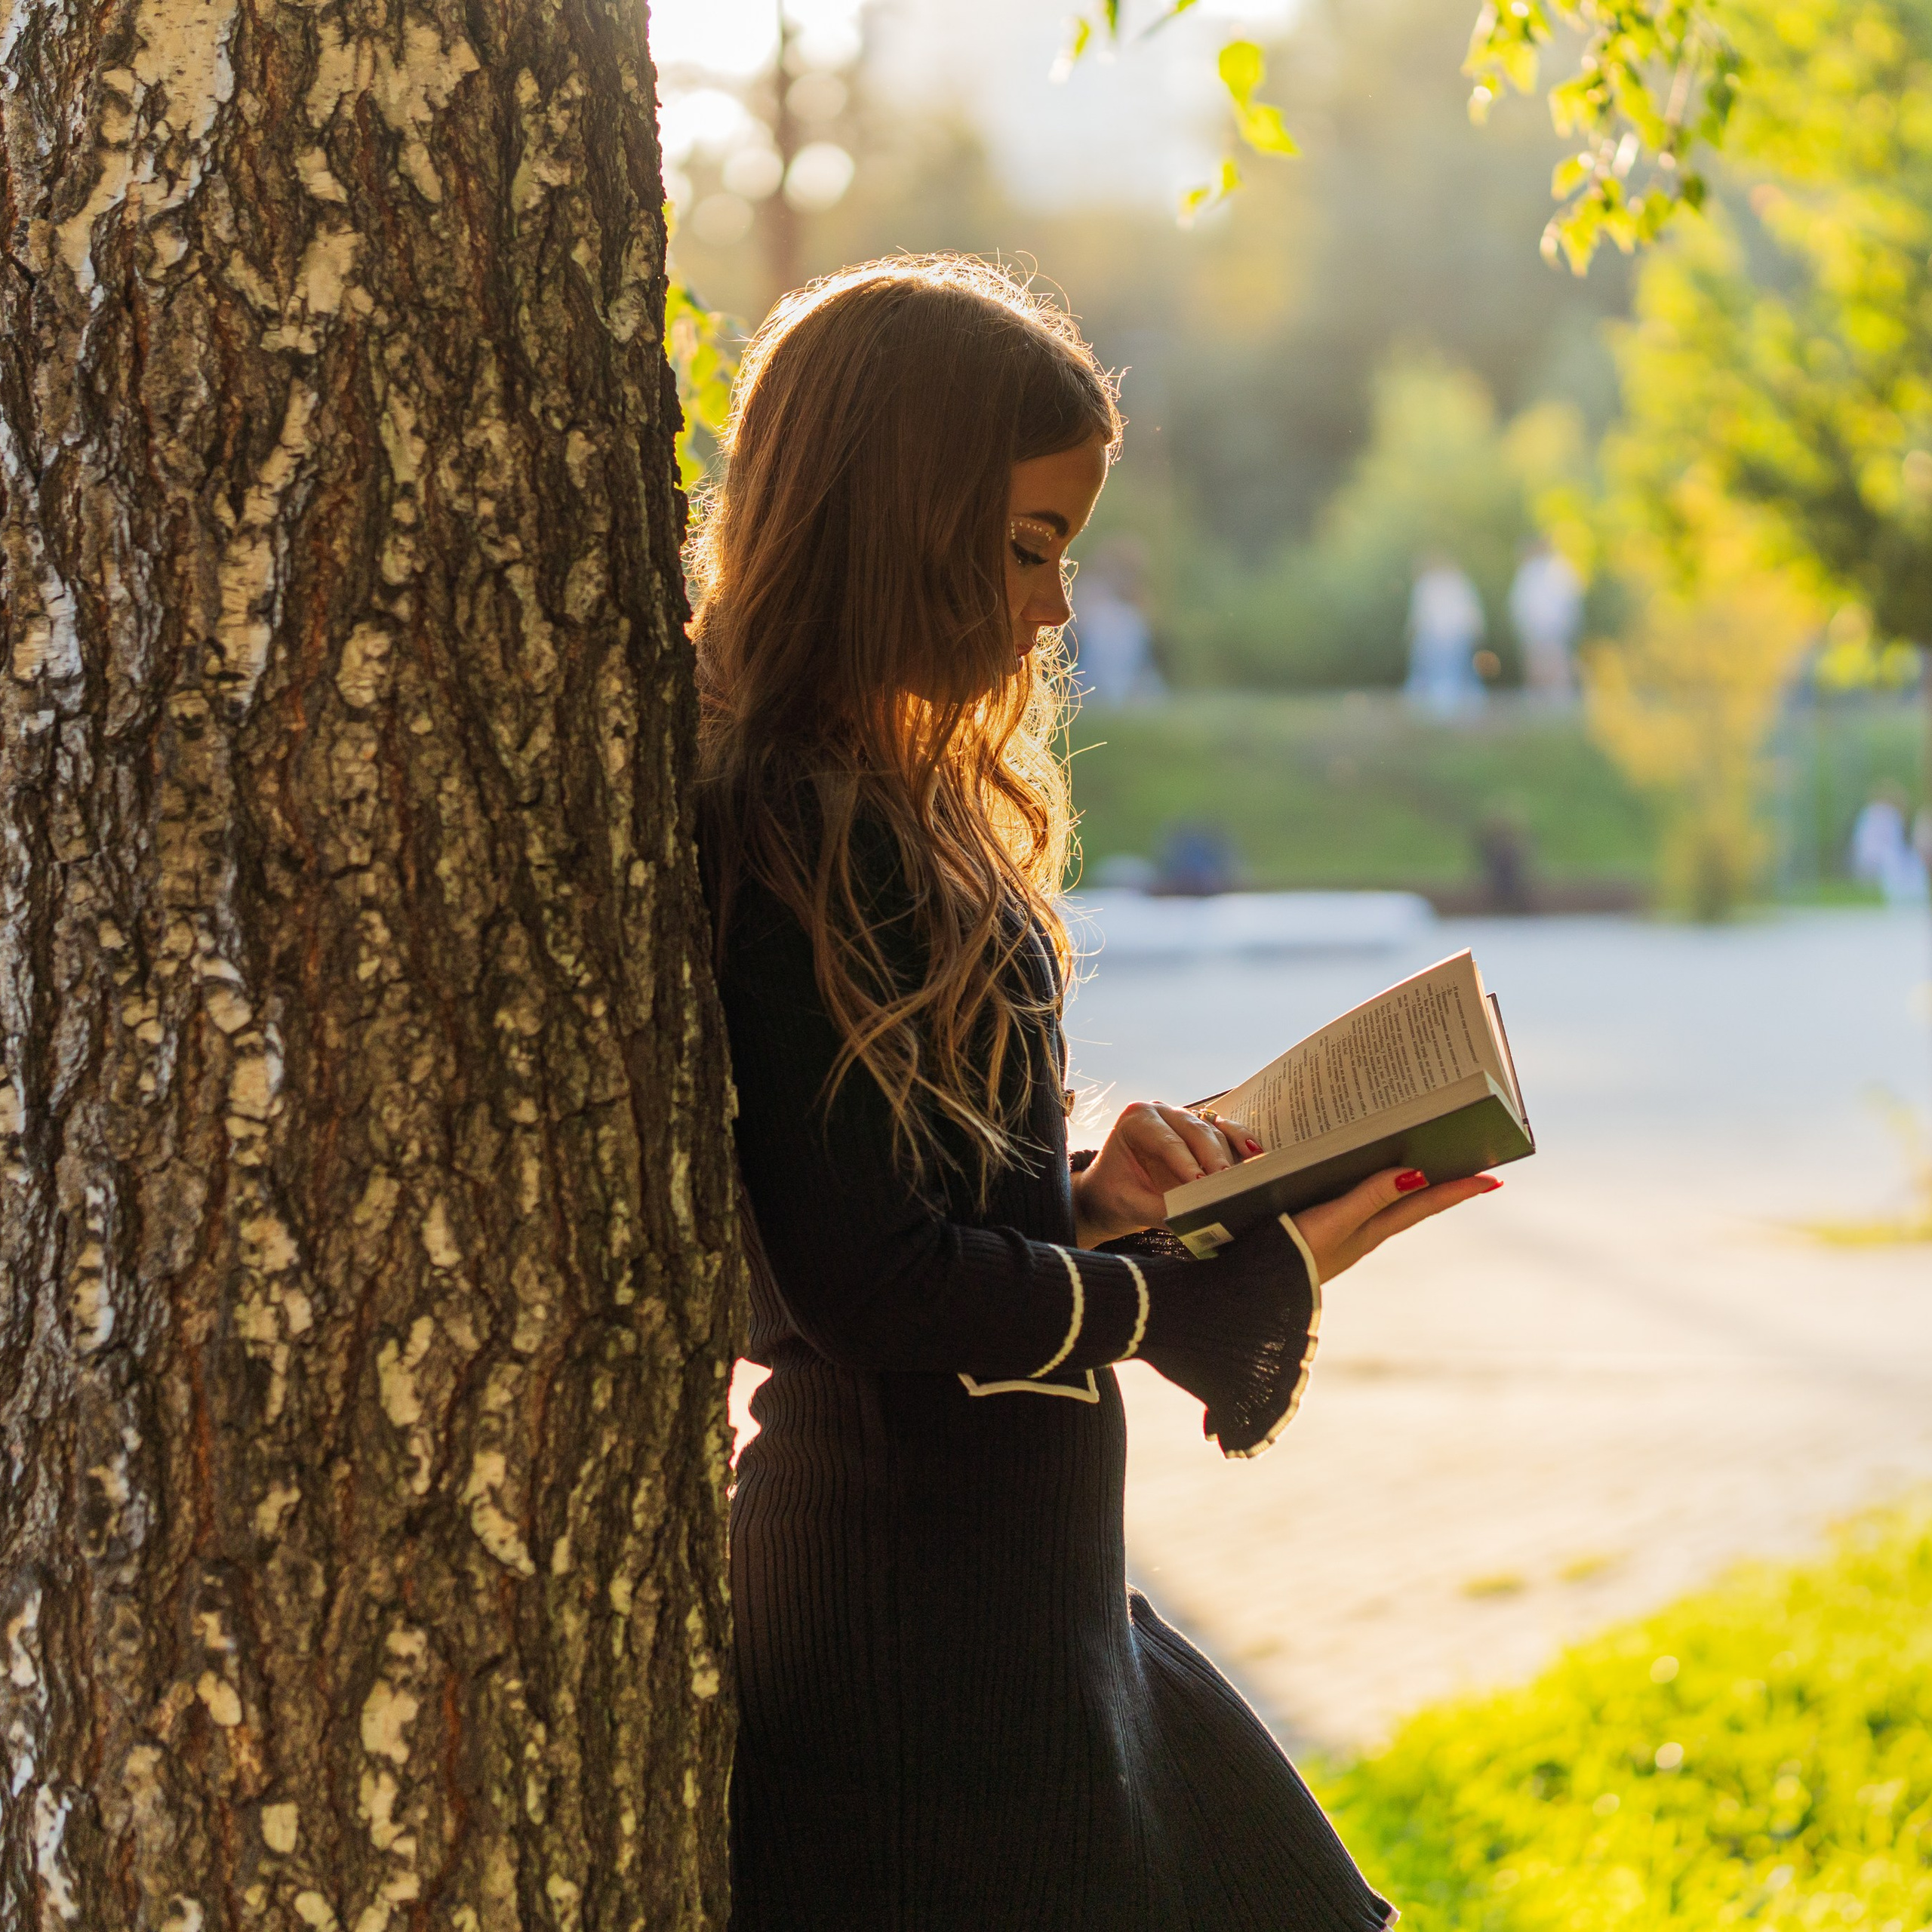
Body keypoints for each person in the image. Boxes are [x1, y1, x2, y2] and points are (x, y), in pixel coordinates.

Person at [691, 255, 1499, 1932]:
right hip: (908, 1635)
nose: (1055, 611)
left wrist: (1091, 1192)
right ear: (892, 515)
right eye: (1025, 545)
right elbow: (858, 1282)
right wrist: (1188, 1297)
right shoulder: (782, 829)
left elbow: (915, 1198)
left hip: (1031, 1595)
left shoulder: (900, 809)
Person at [1069, 536, 1165, 703]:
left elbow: (1148, 635)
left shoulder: (1133, 601)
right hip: (1092, 663)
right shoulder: (1091, 590)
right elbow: (1077, 629)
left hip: (1131, 667)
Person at [1404, 554, 1487, 718]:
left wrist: (1411, 636)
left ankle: (1440, 708)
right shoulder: (1460, 581)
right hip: (1457, 634)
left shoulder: (1427, 584)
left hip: (1435, 635)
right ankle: (1469, 706)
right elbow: (1471, 611)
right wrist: (1477, 632)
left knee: (1438, 671)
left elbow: (1420, 616)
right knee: (1458, 670)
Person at [1508, 539, 1583, 705]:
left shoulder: (1558, 569)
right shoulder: (1529, 572)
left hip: (1553, 626)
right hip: (1536, 627)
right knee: (1537, 663)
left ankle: (1559, 698)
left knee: (1555, 662)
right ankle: (1540, 699)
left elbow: (1568, 602)